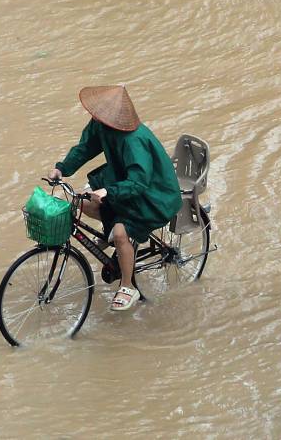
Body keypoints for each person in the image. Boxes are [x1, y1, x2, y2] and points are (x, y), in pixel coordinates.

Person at [47, 85, 182, 312]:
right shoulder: (101, 126)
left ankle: (128, 286)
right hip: (125, 183)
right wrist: (61, 169)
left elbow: (139, 181)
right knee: (82, 202)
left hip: (153, 193)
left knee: (120, 234)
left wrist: (108, 192)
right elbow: (85, 148)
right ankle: (112, 233)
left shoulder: (133, 140)